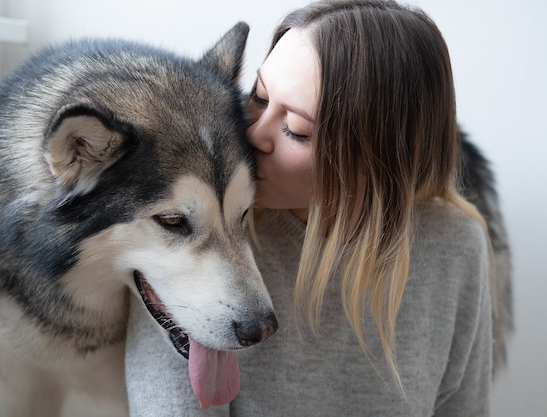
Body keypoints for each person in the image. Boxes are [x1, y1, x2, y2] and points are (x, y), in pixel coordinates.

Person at [125, 0, 492, 415]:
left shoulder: (456, 243)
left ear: (380, 157)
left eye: (296, 130)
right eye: (259, 97)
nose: (253, 135)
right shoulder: (193, 229)